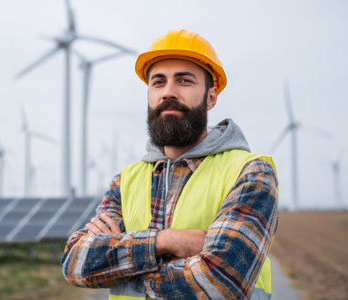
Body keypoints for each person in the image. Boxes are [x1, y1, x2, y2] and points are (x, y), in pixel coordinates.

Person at [62, 29, 278, 300]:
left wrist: (118, 264)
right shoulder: (126, 180)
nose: (168, 92)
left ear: (211, 97)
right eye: (158, 82)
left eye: (184, 81)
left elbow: (220, 282)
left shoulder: (250, 172)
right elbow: (76, 263)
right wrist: (168, 242)